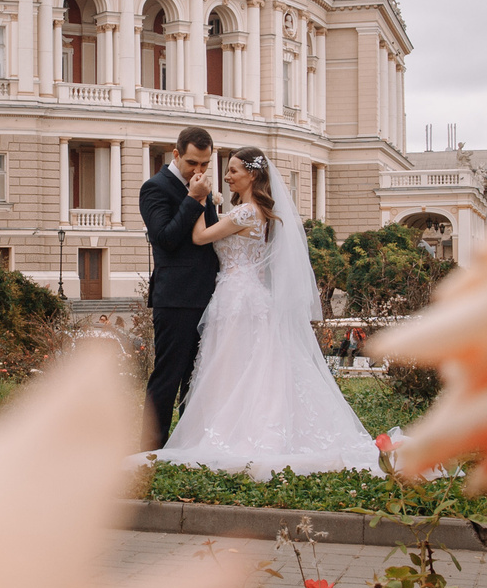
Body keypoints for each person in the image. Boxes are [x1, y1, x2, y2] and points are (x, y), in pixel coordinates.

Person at [153, 147, 382, 478]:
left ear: (252, 175)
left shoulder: (247, 212)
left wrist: (199, 199)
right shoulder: (258, 211)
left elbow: (200, 236)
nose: (227, 175)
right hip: (247, 295)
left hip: (237, 297)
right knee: (247, 364)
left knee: (234, 365)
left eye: (233, 170)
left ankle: (238, 432)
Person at [139, 126, 221, 449]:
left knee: (198, 380)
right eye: (191, 163)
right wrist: (194, 199)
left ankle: (188, 447)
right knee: (167, 378)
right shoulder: (155, 188)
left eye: (205, 164)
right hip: (175, 300)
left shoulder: (199, 187)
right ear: (175, 155)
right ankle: (149, 450)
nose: (198, 171)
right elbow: (166, 239)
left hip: (208, 298)